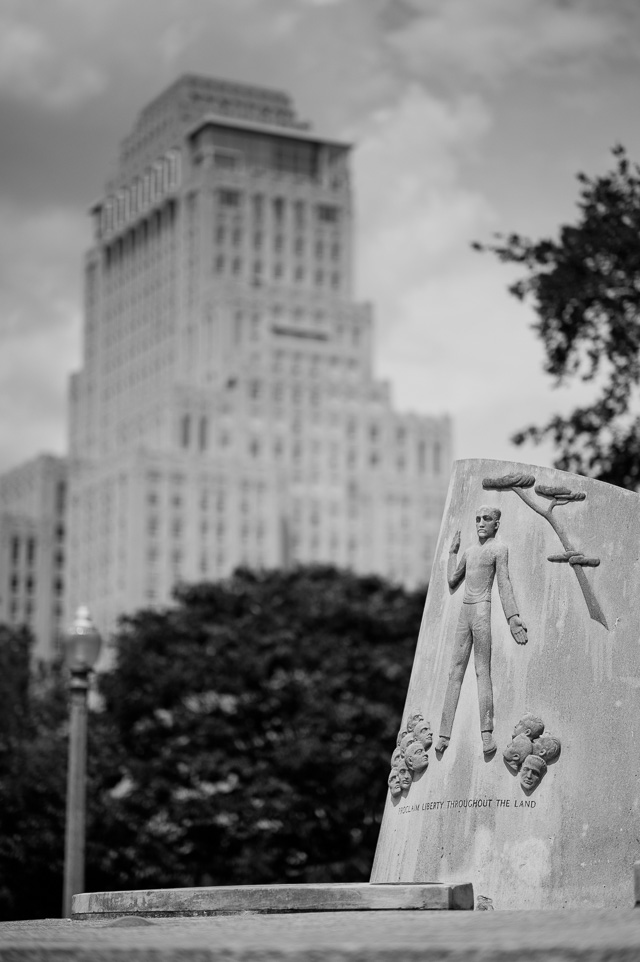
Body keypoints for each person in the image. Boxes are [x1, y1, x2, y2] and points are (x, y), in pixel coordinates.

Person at [436, 505, 528, 757]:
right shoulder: (469, 551)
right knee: (455, 671)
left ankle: (486, 735)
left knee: (481, 670)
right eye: (477, 519)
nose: (480, 523)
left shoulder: (498, 549)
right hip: (465, 612)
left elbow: (504, 582)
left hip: (481, 611)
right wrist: (453, 553)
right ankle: (444, 734)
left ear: (496, 524)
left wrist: (513, 617)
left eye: (486, 519)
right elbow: (453, 580)